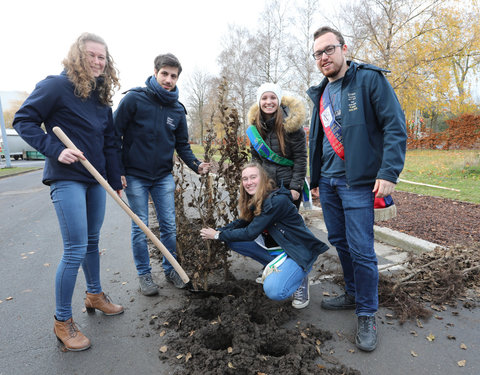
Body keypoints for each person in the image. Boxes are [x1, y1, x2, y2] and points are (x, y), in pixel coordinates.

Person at [13, 32, 124, 352]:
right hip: (66, 177)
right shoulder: (55, 86)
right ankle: (63, 321)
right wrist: (53, 149)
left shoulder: (101, 98)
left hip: (95, 180)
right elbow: (25, 120)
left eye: (102, 57)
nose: (97, 61)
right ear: (77, 56)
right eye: (91, 55)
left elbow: (109, 142)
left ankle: (94, 294)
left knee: (92, 242)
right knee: (75, 248)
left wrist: (115, 180)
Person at [307, 26, 407, 351]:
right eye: (318, 53)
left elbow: (395, 125)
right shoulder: (320, 93)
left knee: (362, 247)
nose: (324, 57)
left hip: (358, 183)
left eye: (329, 49)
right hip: (330, 183)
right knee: (338, 240)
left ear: (343, 48)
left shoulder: (368, 80)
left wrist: (389, 171)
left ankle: (367, 312)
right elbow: (318, 142)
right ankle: (352, 293)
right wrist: (316, 181)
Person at [113, 53, 210, 296]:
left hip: (162, 177)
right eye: (164, 74)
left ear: (178, 78)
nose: (168, 79)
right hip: (135, 176)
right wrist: (118, 170)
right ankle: (145, 275)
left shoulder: (177, 110)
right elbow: (114, 135)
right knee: (141, 227)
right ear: (155, 72)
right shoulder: (134, 99)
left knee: (169, 226)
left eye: (173, 76)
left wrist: (196, 165)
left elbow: (183, 146)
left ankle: (171, 269)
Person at [200, 163, 329, 309]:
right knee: (232, 240)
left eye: (253, 177)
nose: (248, 182)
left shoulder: (275, 201)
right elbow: (242, 222)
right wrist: (219, 231)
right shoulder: (256, 198)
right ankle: (274, 267)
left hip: (296, 251)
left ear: (263, 179)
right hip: (280, 248)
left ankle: (299, 278)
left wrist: (217, 235)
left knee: (274, 290)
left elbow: (250, 232)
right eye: (245, 179)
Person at [247, 83, 308, 209]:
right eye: (264, 98)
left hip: (287, 187)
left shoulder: (292, 125)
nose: (268, 102)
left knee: (287, 226)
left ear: (278, 100)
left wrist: (295, 187)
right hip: (265, 186)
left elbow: (300, 159)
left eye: (273, 97)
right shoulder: (254, 128)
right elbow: (255, 158)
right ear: (259, 101)